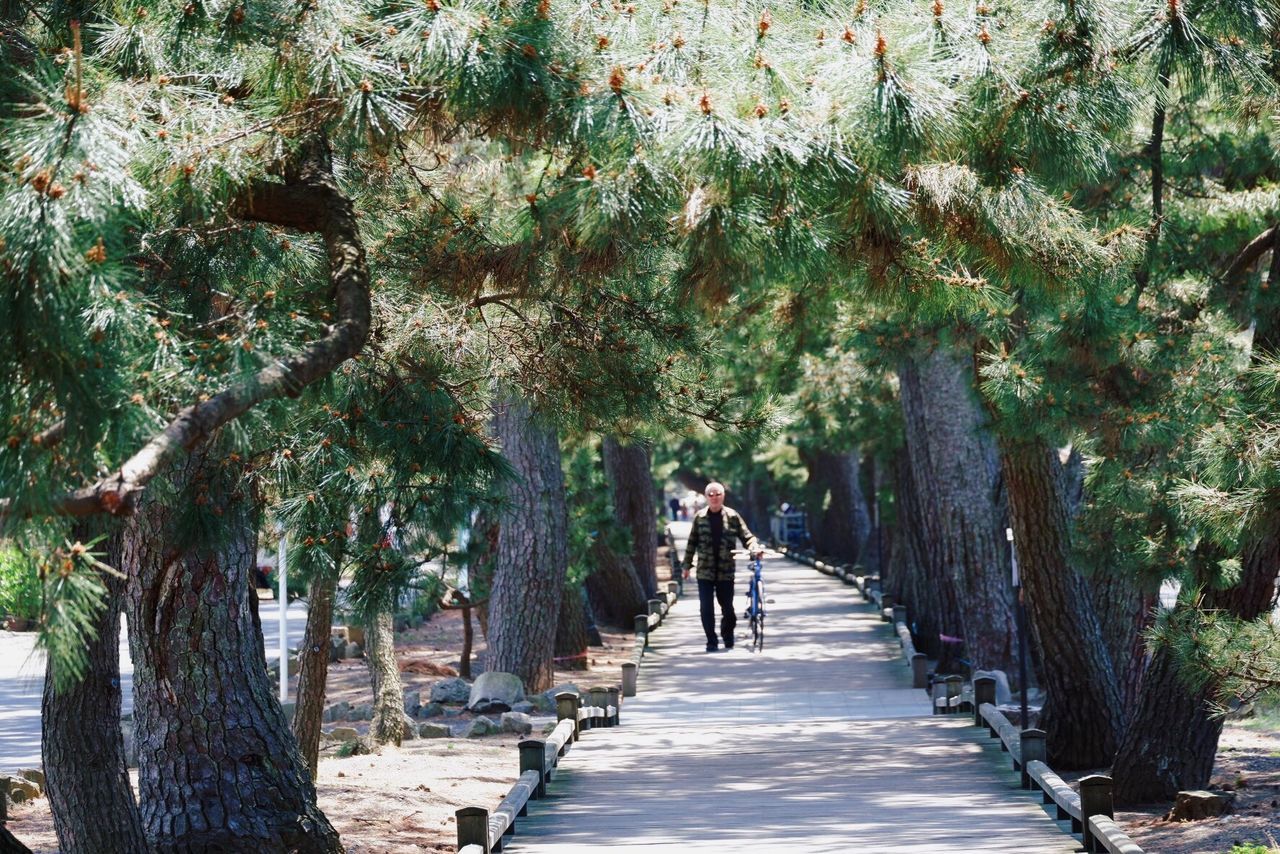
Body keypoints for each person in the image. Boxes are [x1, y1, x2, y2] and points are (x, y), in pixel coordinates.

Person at [682, 482, 760, 652]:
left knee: (728, 609)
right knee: (706, 608)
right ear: (706, 497)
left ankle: (728, 634)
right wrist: (686, 566)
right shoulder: (699, 517)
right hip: (705, 571)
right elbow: (692, 543)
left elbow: (747, 536)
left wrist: (754, 547)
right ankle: (711, 640)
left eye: (718, 494)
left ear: (723, 496)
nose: (714, 497)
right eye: (711, 494)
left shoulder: (732, 516)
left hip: (726, 571)